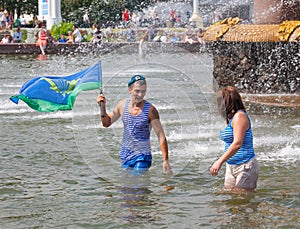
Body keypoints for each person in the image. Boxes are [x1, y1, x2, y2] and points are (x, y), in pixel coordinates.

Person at [97, 75, 172, 175]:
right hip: (125, 156)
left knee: (136, 185)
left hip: (142, 157)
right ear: (130, 89)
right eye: (137, 91)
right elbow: (106, 123)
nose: (140, 94)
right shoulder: (122, 105)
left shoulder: (151, 110)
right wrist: (102, 107)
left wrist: (165, 160)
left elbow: (161, 135)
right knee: (125, 188)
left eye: (143, 91)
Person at [210, 86, 259, 192]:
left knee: (241, 200)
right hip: (231, 165)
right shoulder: (230, 118)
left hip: (245, 166)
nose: (218, 106)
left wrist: (219, 162)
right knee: (231, 200)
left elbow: (237, 143)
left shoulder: (239, 117)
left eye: (220, 102)